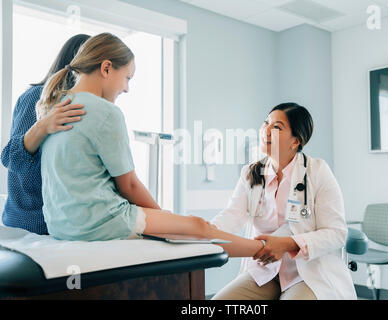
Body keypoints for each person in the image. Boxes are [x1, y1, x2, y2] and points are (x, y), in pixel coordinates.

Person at [36, 32, 264, 257]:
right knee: (198, 227)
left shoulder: (53, 109)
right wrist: (166, 218)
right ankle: (264, 250)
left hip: (60, 225)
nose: (127, 88)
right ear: (106, 68)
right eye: (127, 78)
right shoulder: (106, 113)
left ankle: (262, 249)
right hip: (98, 222)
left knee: (189, 226)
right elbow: (129, 186)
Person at [211, 103, 357, 300]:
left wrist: (289, 244)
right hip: (266, 271)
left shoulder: (317, 171)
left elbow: (337, 233)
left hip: (307, 273)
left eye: (277, 127)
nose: (266, 130)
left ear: (295, 141)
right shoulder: (252, 173)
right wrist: (205, 231)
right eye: (266, 123)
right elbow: (232, 215)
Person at [1, 34, 90, 234]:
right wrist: (43, 126)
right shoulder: (36, 97)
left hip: (63, 221)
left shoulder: (83, 107)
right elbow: (12, 158)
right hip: (30, 222)